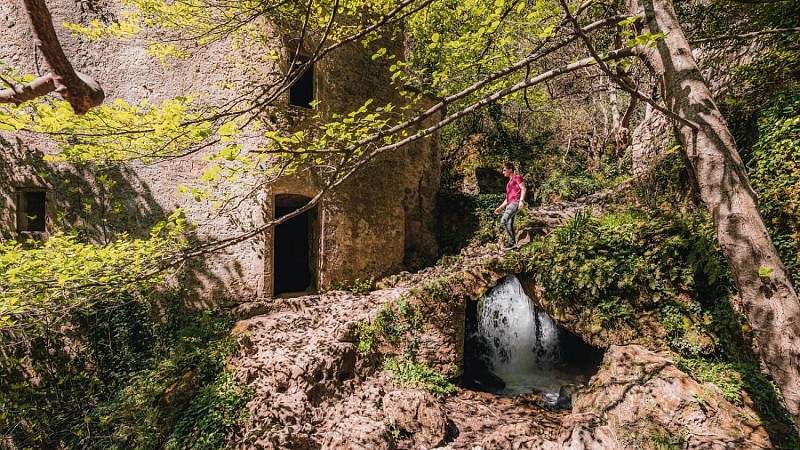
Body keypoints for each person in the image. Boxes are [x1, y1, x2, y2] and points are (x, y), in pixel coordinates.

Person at [494, 162, 526, 249]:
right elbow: (507, 198)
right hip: (509, 204)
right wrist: (500, 208)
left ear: (510, 169)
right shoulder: (509, 183)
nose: (503, 172)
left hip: (515, 202)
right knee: (509, 223)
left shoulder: (517, 177)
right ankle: (513, 243)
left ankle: (511, 242)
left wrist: (521, 201)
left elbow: (523, 188)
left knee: (503, 220)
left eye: (505, 170)